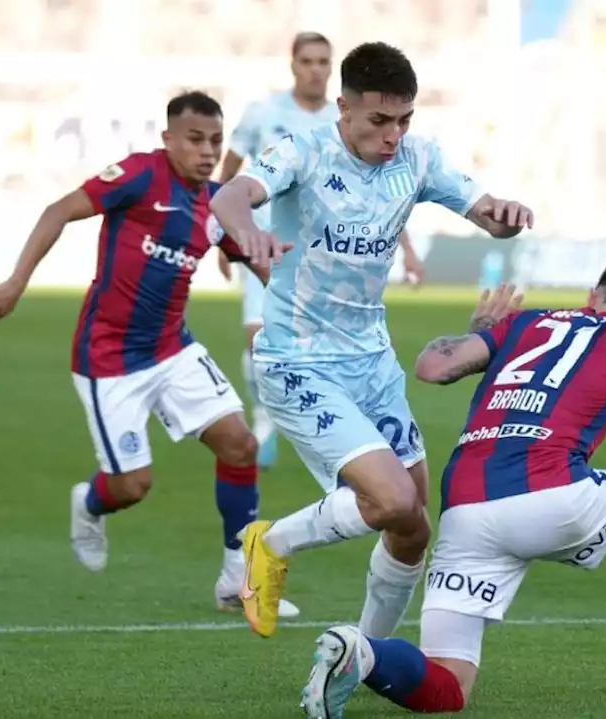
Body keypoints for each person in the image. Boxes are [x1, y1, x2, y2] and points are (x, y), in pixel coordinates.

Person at [297, 258, 606, 717]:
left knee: (448, 685)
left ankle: (361, 652)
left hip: (465, 511)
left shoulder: (522, 324)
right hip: (552, 497)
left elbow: (431, 366)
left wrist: (480, 332)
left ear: (593, 295)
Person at [211, 41, 535, 640]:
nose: (393, 134)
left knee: (413, 526)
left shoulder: (418, 157)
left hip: (372, 360)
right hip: (298, 359)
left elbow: (484, 212)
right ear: (345, 108)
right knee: (389, 501)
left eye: (404, 120)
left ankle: (369, 654)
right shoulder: (303, 152)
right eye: (380, 120)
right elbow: (230, 195)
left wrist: (506, 216)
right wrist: (245, 233)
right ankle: (269, 542)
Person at [0, 91, 299, 618]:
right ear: (168, 139)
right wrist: (16, 283)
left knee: (239, 445)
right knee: (133, 486)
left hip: (173, 349)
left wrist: (270, 266)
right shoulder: (139, 176)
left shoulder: (214, 204)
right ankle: (90, 502)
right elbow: (59, 210)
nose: (207, 151)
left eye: (215, 141)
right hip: (109, 358)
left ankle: (235, 578)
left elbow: (252, 254)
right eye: (195, 139)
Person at [217, 32, 426, 469]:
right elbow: (231, 172)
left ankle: (324, 418)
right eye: (307, 60)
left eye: (323, 62)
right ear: (293, 64)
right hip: (268, 244)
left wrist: (405, 248)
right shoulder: (264, 113)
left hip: (328, 257)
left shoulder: (356, 122)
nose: (315, 69)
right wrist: (227, 234)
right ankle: (265, 415)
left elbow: (382, 201)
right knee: (259, 333)